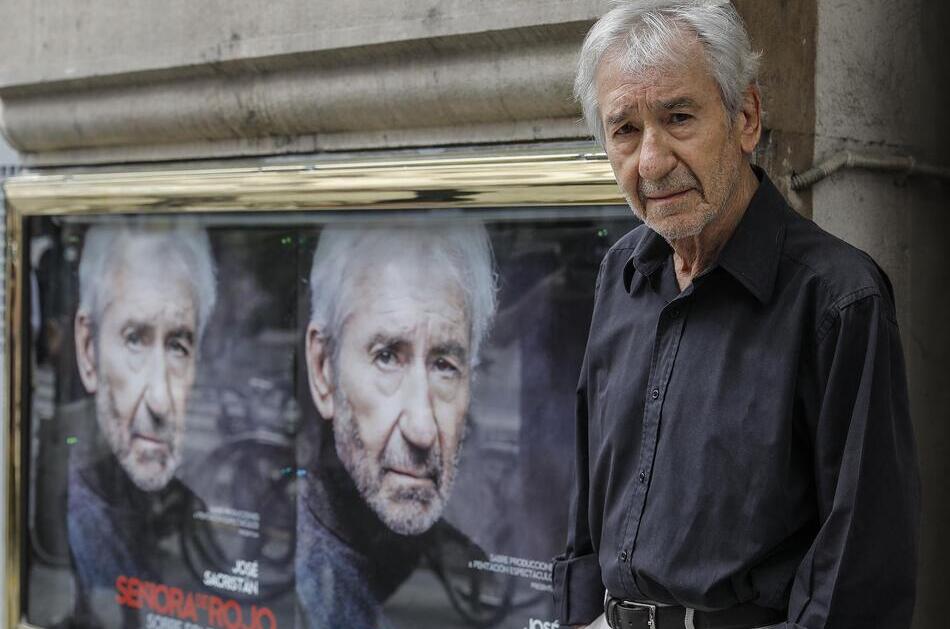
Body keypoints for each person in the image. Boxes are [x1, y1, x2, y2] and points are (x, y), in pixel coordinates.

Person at [553, 2, 919, 629]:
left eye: (678, 117)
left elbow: (860, 570)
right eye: (625, 131)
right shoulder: (622, 272)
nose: (651, 161)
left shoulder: (838, 298)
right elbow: (593, 492)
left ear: (745, 117)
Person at [297, 222, 497, 629]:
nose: (422, 429)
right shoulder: (321, 589)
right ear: (323, 369)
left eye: (445, 365)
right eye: (387, 356)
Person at [68, 221, 217, 628]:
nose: (160, 399)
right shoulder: (82, 522)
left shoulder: (142, 497)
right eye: (135, 339)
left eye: (178, 346)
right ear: (88, 350)